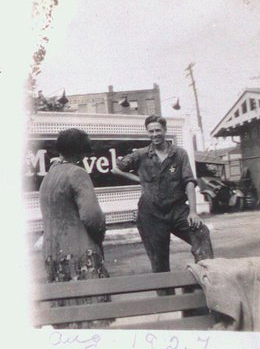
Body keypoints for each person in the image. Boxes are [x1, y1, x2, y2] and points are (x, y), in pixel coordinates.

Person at [113, 115, 214, 295]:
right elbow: (117, 168)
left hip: (177, 210)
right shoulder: (141, 154)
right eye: (151, 131)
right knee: (159, 263)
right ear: (147, 133)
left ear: (165, 131)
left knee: (201, 233)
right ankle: (167, 303)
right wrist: (140, 180)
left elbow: (189, 182)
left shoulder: (179, 154)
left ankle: (206, 287)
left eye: (158, 130)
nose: (154, 134)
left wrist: (193, 211)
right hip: (150, 215)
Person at [39, 128, 111, 328]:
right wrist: (99, 235)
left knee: (66, 321)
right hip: (80, 253)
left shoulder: (49, 175)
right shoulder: (77, 173)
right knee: (91, 320)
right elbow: (92, 216)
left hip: (53, 253)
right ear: (82, 149)